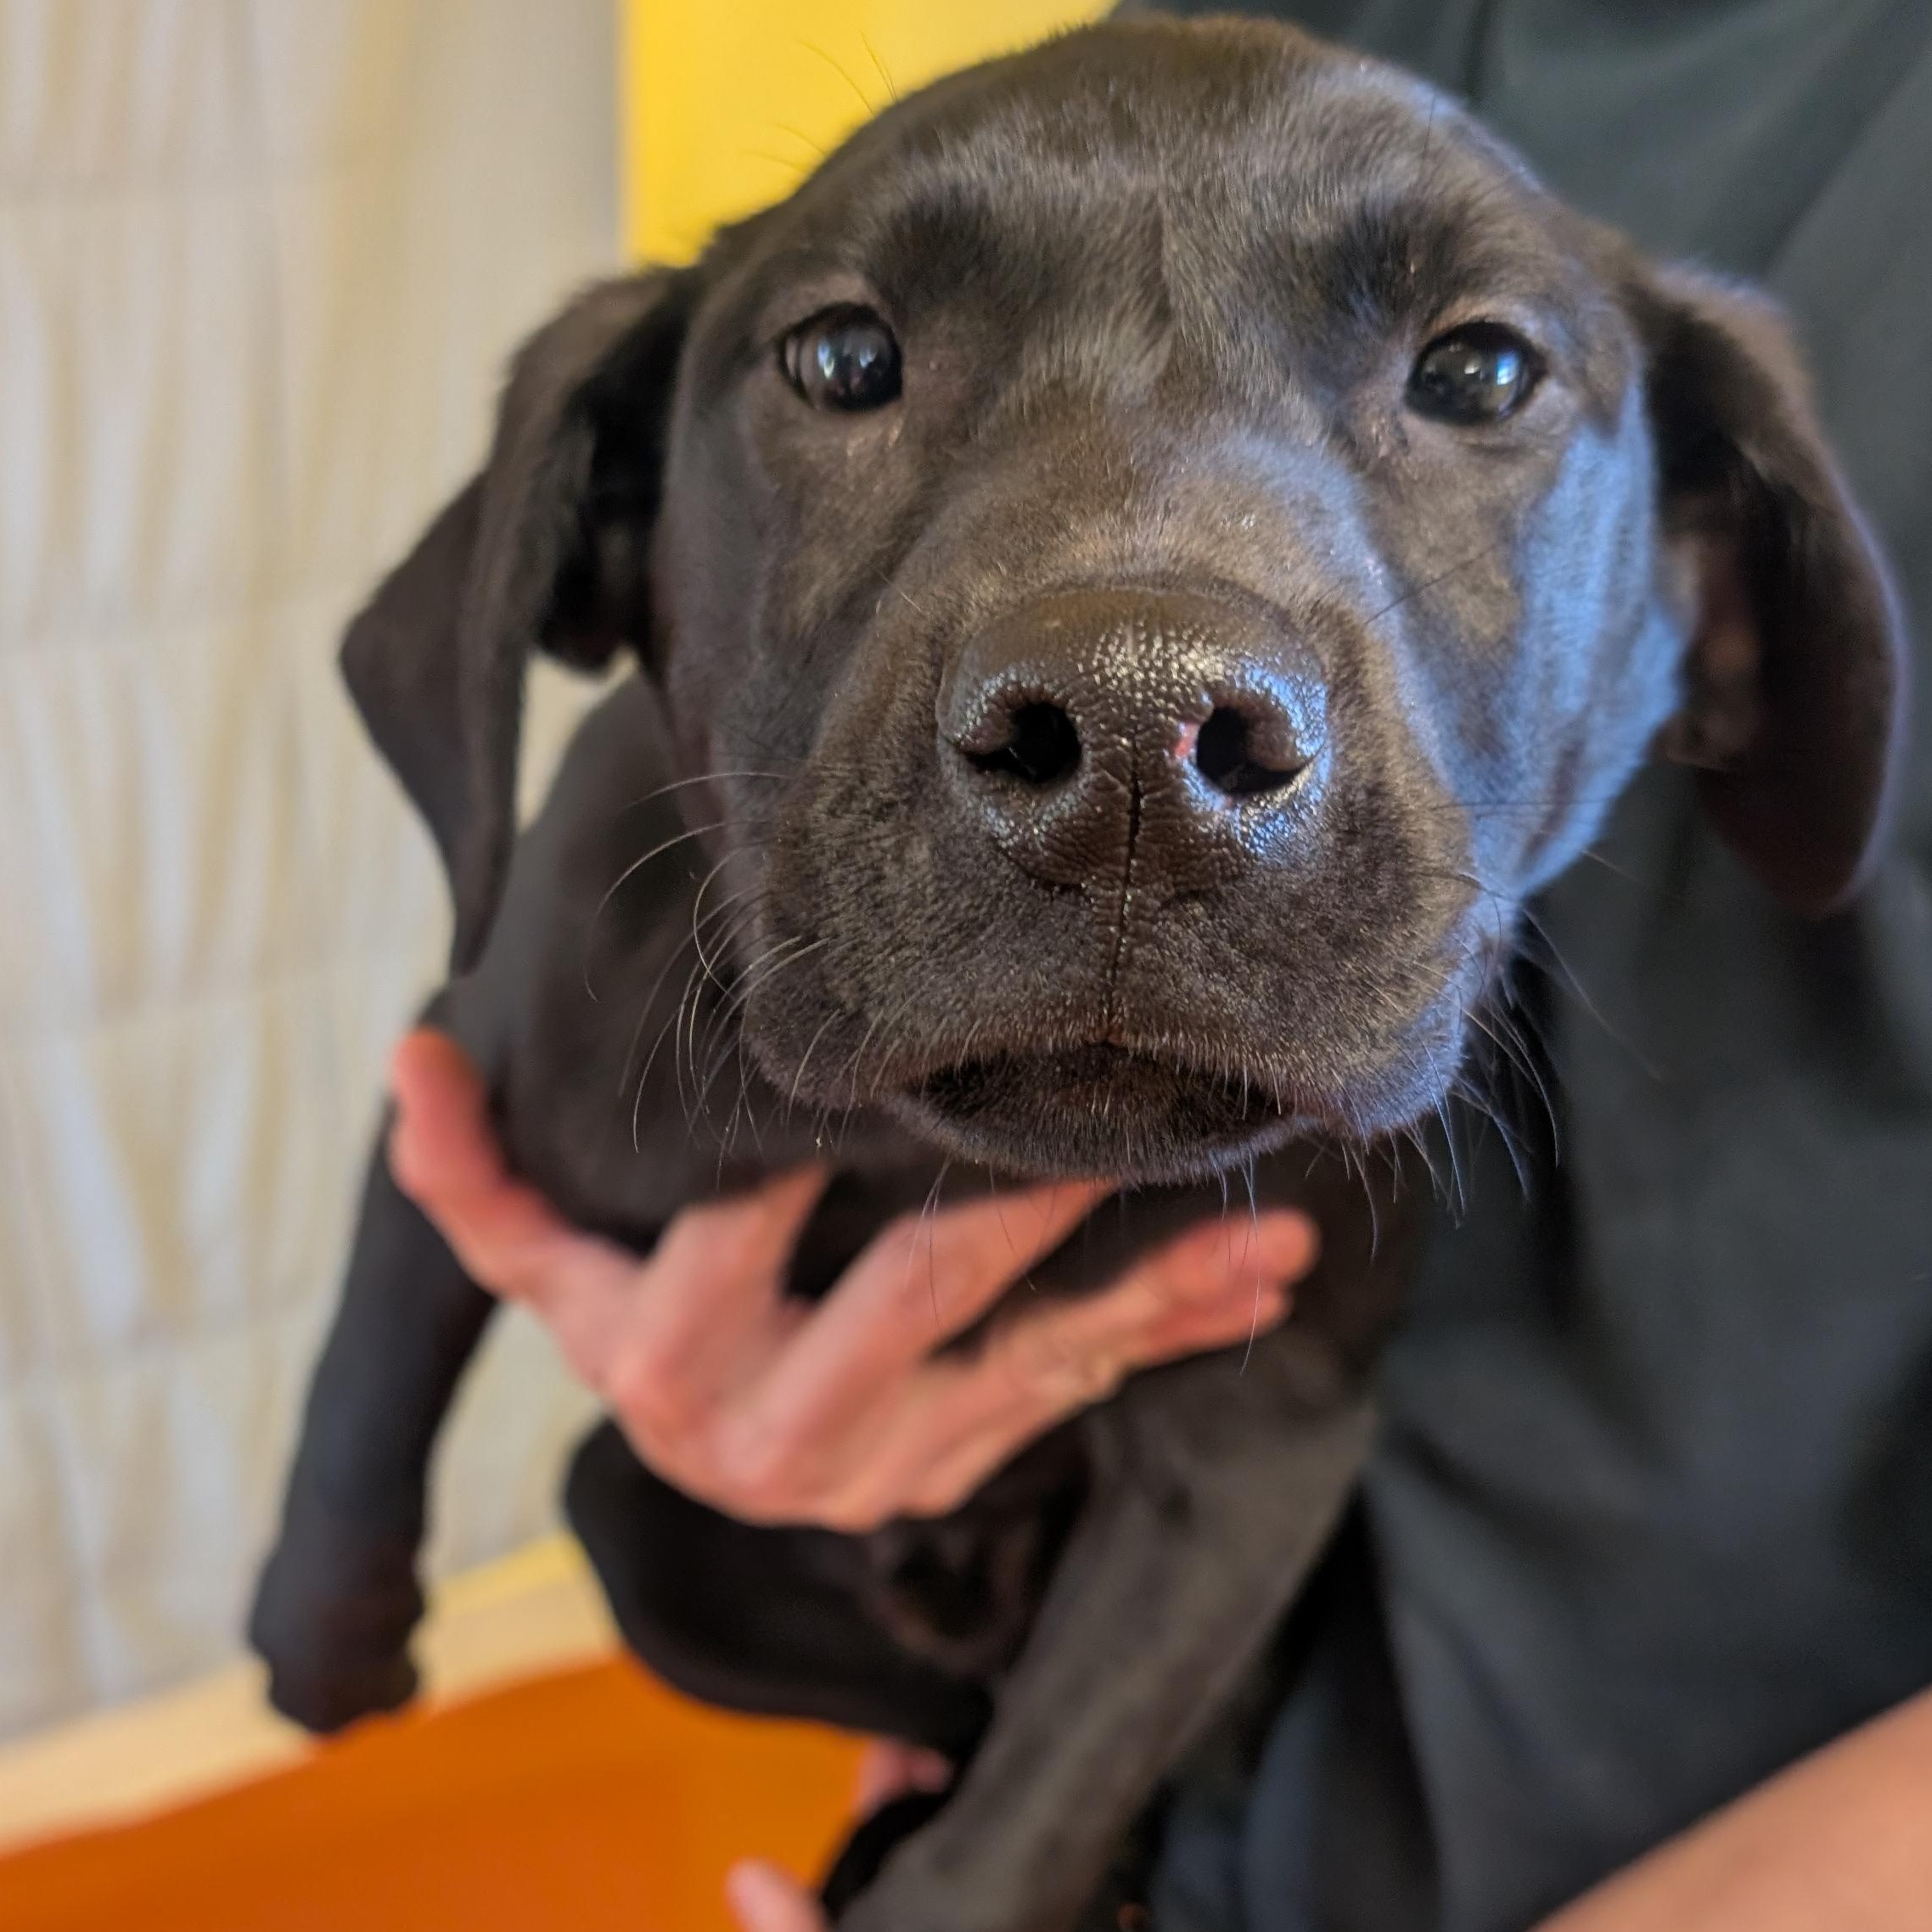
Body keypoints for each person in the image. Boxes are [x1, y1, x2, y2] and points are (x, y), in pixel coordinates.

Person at [385, 3, 1932, 1927]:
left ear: (1722, 605)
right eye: (856, 367)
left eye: (1474, 379)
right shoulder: (1230, 64)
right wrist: (963, 1711)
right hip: (1130, 1786)